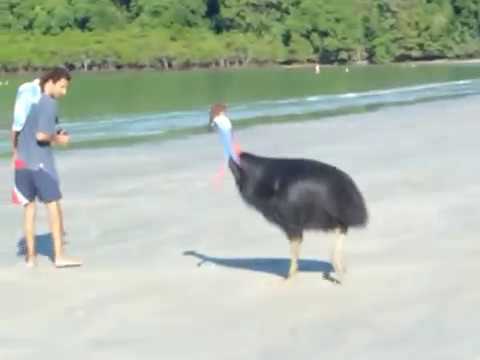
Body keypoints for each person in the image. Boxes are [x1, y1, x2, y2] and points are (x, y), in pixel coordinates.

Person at [13, 67, 81, 268]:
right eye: (62, 87)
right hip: (40, 164)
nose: (64, 93)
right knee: (54, 207)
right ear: (51, 81)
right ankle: (59, 256)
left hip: (22, 164)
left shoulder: (27, 101)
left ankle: (31, 258)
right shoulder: (49, 103)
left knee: (29, 209)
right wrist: (58, 139)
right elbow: (41, 136)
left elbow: (18, 129)